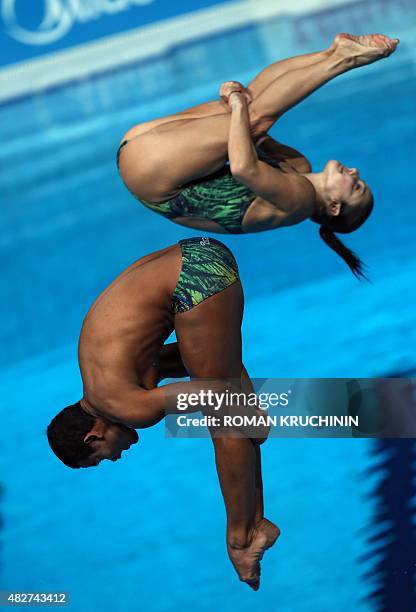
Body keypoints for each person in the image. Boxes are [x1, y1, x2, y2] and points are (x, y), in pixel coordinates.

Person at [47, 237, 279, 590]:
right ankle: (254, 523)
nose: (116, 458)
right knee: (235, 409)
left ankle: (239, 541)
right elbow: (195, 359)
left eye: (101, 459)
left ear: (92, 436)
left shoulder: (124, 405)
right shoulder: (101, 379)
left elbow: (217, 395)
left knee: (224, 422)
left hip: (195, 279)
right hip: (198, 253)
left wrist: (252, 419)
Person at [117, 33, 399, 279]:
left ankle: (344, 60)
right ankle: (333, 52)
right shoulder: (297, 169)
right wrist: (239, 102)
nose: (355, 172)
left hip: (154, 173)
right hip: (147, 160)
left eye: (357, 187)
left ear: (334, 206)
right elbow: (257, 131)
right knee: (252, 108)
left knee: (250, 116)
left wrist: (238, 104)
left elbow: (243, 166)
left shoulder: (300, 202)